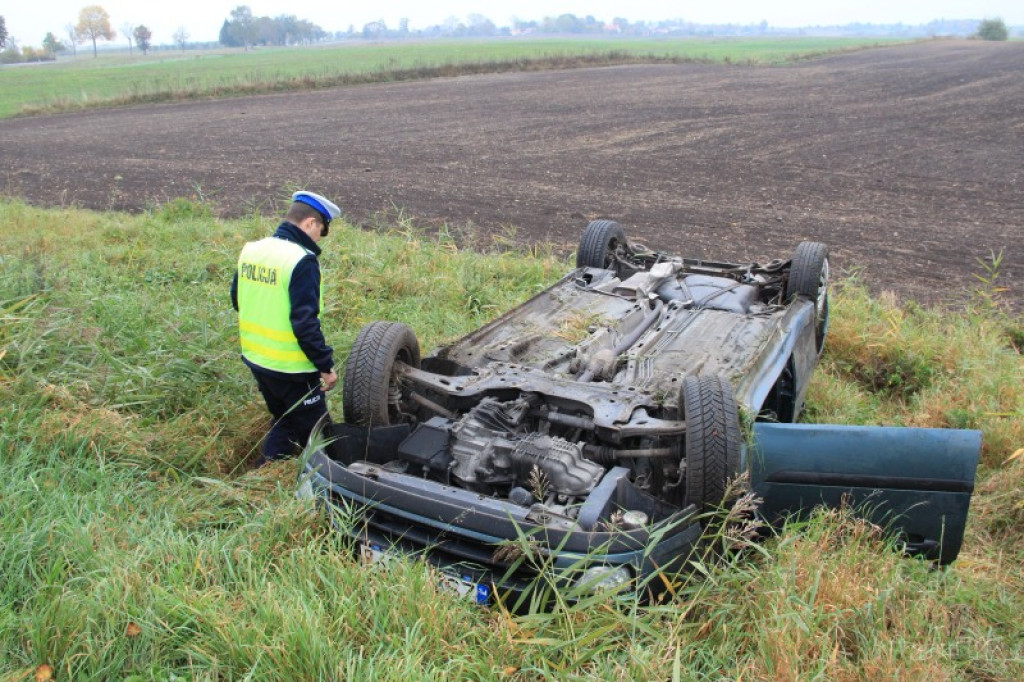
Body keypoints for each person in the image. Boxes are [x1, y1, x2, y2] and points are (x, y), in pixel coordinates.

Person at [231, 190, 341, 465]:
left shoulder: (252, 250)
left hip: (256, 359)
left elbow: (237, 299)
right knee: (317, 433)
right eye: (321, 231)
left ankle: (263, 475)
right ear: (310, 224)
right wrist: (325, 366)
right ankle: (322, 484)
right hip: (291, 369)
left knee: (285, 419)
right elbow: (305, 323)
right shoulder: (301, 260)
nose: (318, 238)